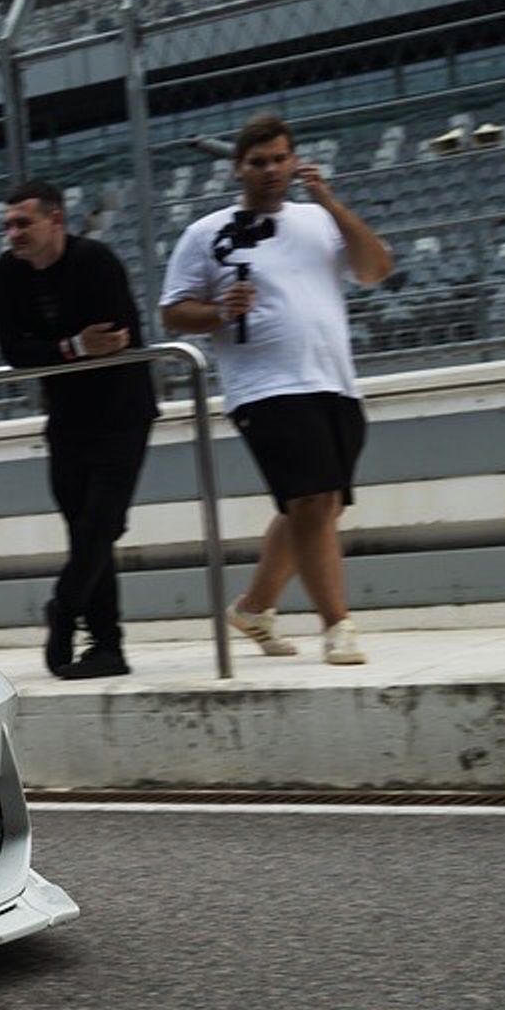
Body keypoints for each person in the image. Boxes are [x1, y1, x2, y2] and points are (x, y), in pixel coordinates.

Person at [159, 113, 394, 664]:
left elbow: (376, 268)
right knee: (311, 499)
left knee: (318, 506)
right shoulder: (205, 233)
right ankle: (337, 624)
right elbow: (173, 313)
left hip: (334, 381)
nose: (270, 170)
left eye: (279, 159)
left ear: (295, 161)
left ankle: (254, 608)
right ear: (238, 168)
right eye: (258, 161)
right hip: (263, 387)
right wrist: (218, 311)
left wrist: (333, 205)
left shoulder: (318, 220)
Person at [0, 180, 159, 678]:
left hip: (121, 412)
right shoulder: (9, 271)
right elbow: (13, 349)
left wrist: (57, 350)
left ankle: (65, 608)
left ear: (55, 221)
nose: (14, 233)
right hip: (67, 416)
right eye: (8, 224)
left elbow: (115, 340)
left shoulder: (95, 261)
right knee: (84, 530)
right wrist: (71, 349)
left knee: (101, 524)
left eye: (24, 223)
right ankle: (108, 645)